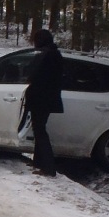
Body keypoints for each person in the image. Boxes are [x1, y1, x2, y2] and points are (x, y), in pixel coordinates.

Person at [25, 28, 64, 177]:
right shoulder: (54, 53)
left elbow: (34, 74)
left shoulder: (45, 55)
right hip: (47, 98)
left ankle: (48, 167)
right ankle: (38, 162)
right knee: (39, 129)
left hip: (41, 98)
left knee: (40, 131)